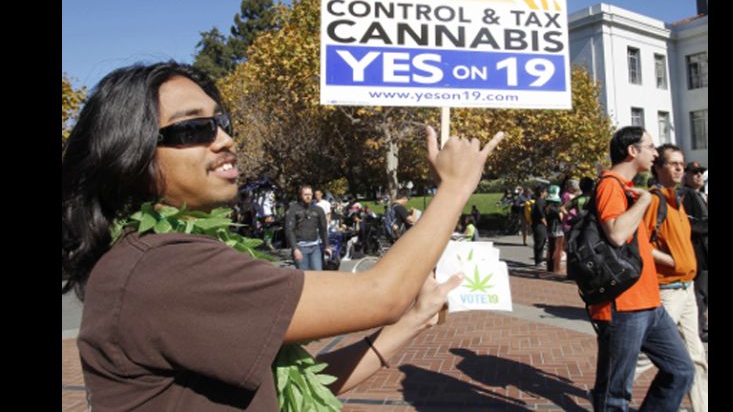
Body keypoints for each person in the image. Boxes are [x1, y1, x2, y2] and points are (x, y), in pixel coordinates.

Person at [61, 61, 505, 411]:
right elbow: (381, 294)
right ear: (130, 153)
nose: (225, 139)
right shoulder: (160, 268)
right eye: (193, 129)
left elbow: (293, 389)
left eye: (223, 121)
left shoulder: (164, 257)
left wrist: (412, 319)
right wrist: (455, 186)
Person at [589, 126, 693, 411]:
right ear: (632, 151)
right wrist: (646, 200)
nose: (655, 153)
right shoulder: (610, 184)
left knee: (681, 370)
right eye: (650, 147)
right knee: (615, 392)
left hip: (649, 302)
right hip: (623, 305)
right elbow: (616, 233)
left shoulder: (627, 188)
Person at [634, 144, 708, 411]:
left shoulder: (678, 200)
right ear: (658, 168)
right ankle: (610, 390)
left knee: (697, 357)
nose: (680, 168)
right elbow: (639, 244)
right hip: (667, 290)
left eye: (682, 164)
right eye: (673, 163)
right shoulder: (653, 200)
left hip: (687, 291)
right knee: (644, 356)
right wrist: (672, 261)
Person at [680, 161, 708, 343]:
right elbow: (689, 225)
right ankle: (698, 328)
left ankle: (702, 325)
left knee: (704, 292)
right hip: (698, 253)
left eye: (700, 172)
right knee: (700, 293)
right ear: (686, 175)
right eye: (694, 172)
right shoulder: (687, 195)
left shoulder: (698, 194)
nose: (698, 175)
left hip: (704, 251)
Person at [285, 185, 332, 271]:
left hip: (315, 248)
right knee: (305, 276)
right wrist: (294, 248)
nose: (308, 196)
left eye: (310, 194)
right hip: (300, 248)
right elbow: (289, 230)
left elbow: (323, 229)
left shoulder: (318, 210)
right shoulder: (293, 210)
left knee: (318, 274)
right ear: (301, 195)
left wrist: (327, 246)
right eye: (305, 194)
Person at [544, 185, 565, 274]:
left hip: (549, 229)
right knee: (557, 249)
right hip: (558, 230)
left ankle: (550, 267)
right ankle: (556, 268)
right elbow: (562, 218)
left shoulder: (547, 207)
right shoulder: (557, 209)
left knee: (550, 248)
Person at [530, 186, 548, 268]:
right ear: (541, 192)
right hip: (539, 225)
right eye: (545, 192)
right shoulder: (540, 202)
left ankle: (538, 260)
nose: (546, 193)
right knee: (540, 242)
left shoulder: (538, 201)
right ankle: (538, 260)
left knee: (540, 242)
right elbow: (541, 214)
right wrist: (546, 223)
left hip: (537, 224)